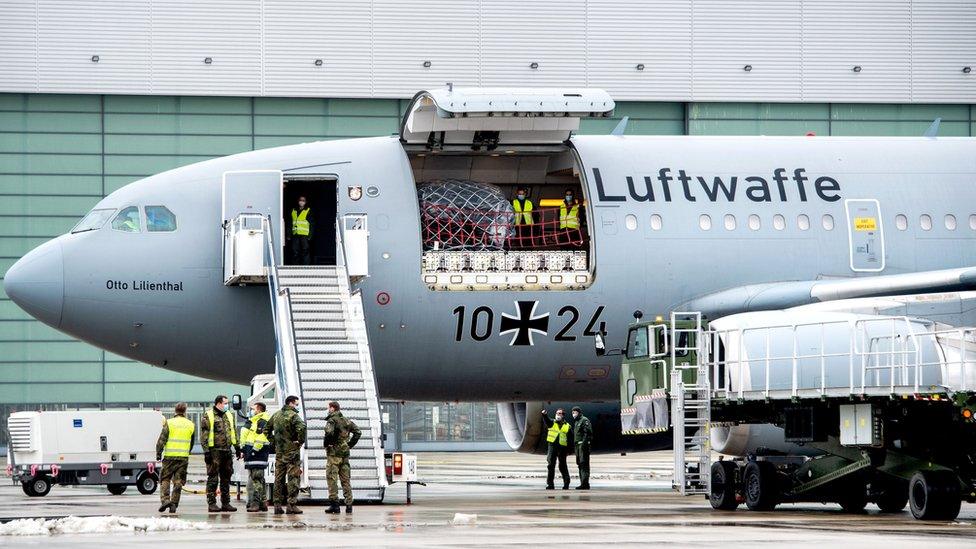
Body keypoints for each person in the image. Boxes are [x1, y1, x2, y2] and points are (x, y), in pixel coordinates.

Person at [265, 395, 307, 515]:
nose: (296, 406)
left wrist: (274, 442)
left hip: (280, 452)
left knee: (278, 479)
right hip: (292, 452)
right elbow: (302, 427)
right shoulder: (293, 415)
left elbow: (266, 430)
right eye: (296, 403)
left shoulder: (276, 415)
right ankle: (291, 505)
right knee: (293, 478)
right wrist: (299, 441)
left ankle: (277, 506)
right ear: (291, 403)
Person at [200, 394, 242, 513]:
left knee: (226, 478)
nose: (227, 405)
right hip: (214, 452)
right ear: (218, 403)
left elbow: (233, 432)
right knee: (213, 478)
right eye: (225, 403)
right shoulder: (208, 415)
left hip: (227, 451)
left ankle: (226, 503)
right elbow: (204, 436)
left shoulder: (228, 415)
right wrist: (206, 451)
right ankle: (212, 503)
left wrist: (237, 447)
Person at [155, 402, 194, 514]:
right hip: (183, 458)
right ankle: (174, 504)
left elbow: (162, 439)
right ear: (185, 411)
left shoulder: (169, 423)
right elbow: (191, 443)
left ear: (175, 411)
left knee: (165, 479)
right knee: (178, 482)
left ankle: (165, 500)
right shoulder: (190, 424)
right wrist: (186, 452)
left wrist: (158, 453)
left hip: (169, 457)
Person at [324, 401, 362, 514]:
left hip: (334, 455)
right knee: (345, 480)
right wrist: (349, 445)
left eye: (329, 408)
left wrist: (328, 443)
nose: (328, 410)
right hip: (345, 455)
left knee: (332, 479)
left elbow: (329, 432)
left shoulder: (332, 420)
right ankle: (349, 505)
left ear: (332, 408)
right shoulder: (346, 420)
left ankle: (335, 505)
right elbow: (358, 432)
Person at [240, 401, 272, 512]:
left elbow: (261, 437)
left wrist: (254, 450)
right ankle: (262, 503)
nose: (252, 411)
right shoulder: (256, 421)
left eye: (253, 409)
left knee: (256, 479)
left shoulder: (262, 421)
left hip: (257, 454)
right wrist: (244, 449)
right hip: (252, 454)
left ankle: (256, 503)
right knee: (257, 479)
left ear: (258, 409)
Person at [541, 408, 571, 490]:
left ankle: (566, 483)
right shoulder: (552, 422)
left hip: (562, 448)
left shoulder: (567, 426)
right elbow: (546, 420)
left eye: (560, 413)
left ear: (563, 415)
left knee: (563, 466)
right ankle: (550, 484)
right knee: (551, 465)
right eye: (557, 413)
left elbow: (570, 438)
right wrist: (544, 415)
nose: (558, 415)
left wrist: (569, 450)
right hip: (552, 446)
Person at [571, 406, 593, 490]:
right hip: (577, 446)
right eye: (572, 413)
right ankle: (582, 483)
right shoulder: (577, 422)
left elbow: (588, 433)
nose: (573, 414)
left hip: (583, 445)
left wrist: (584, 444)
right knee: (580, 464)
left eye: (575, 412)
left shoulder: (584, 420)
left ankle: (585, 483)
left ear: (579, 413)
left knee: (584, 464)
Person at [288, 196, 314, 265]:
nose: (301, 202)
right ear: (298, 201)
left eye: (303, 200)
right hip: (295, 234)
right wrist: (288, 234)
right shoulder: (293, 210)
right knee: (295, 251)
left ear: (305, 202)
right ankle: (295, 266)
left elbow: (311, 224)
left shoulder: (308, 210)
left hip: (304, 234)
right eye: (300, 200)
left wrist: (310, 235)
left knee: (305, 250)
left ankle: (306, 266)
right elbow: (290, 223)